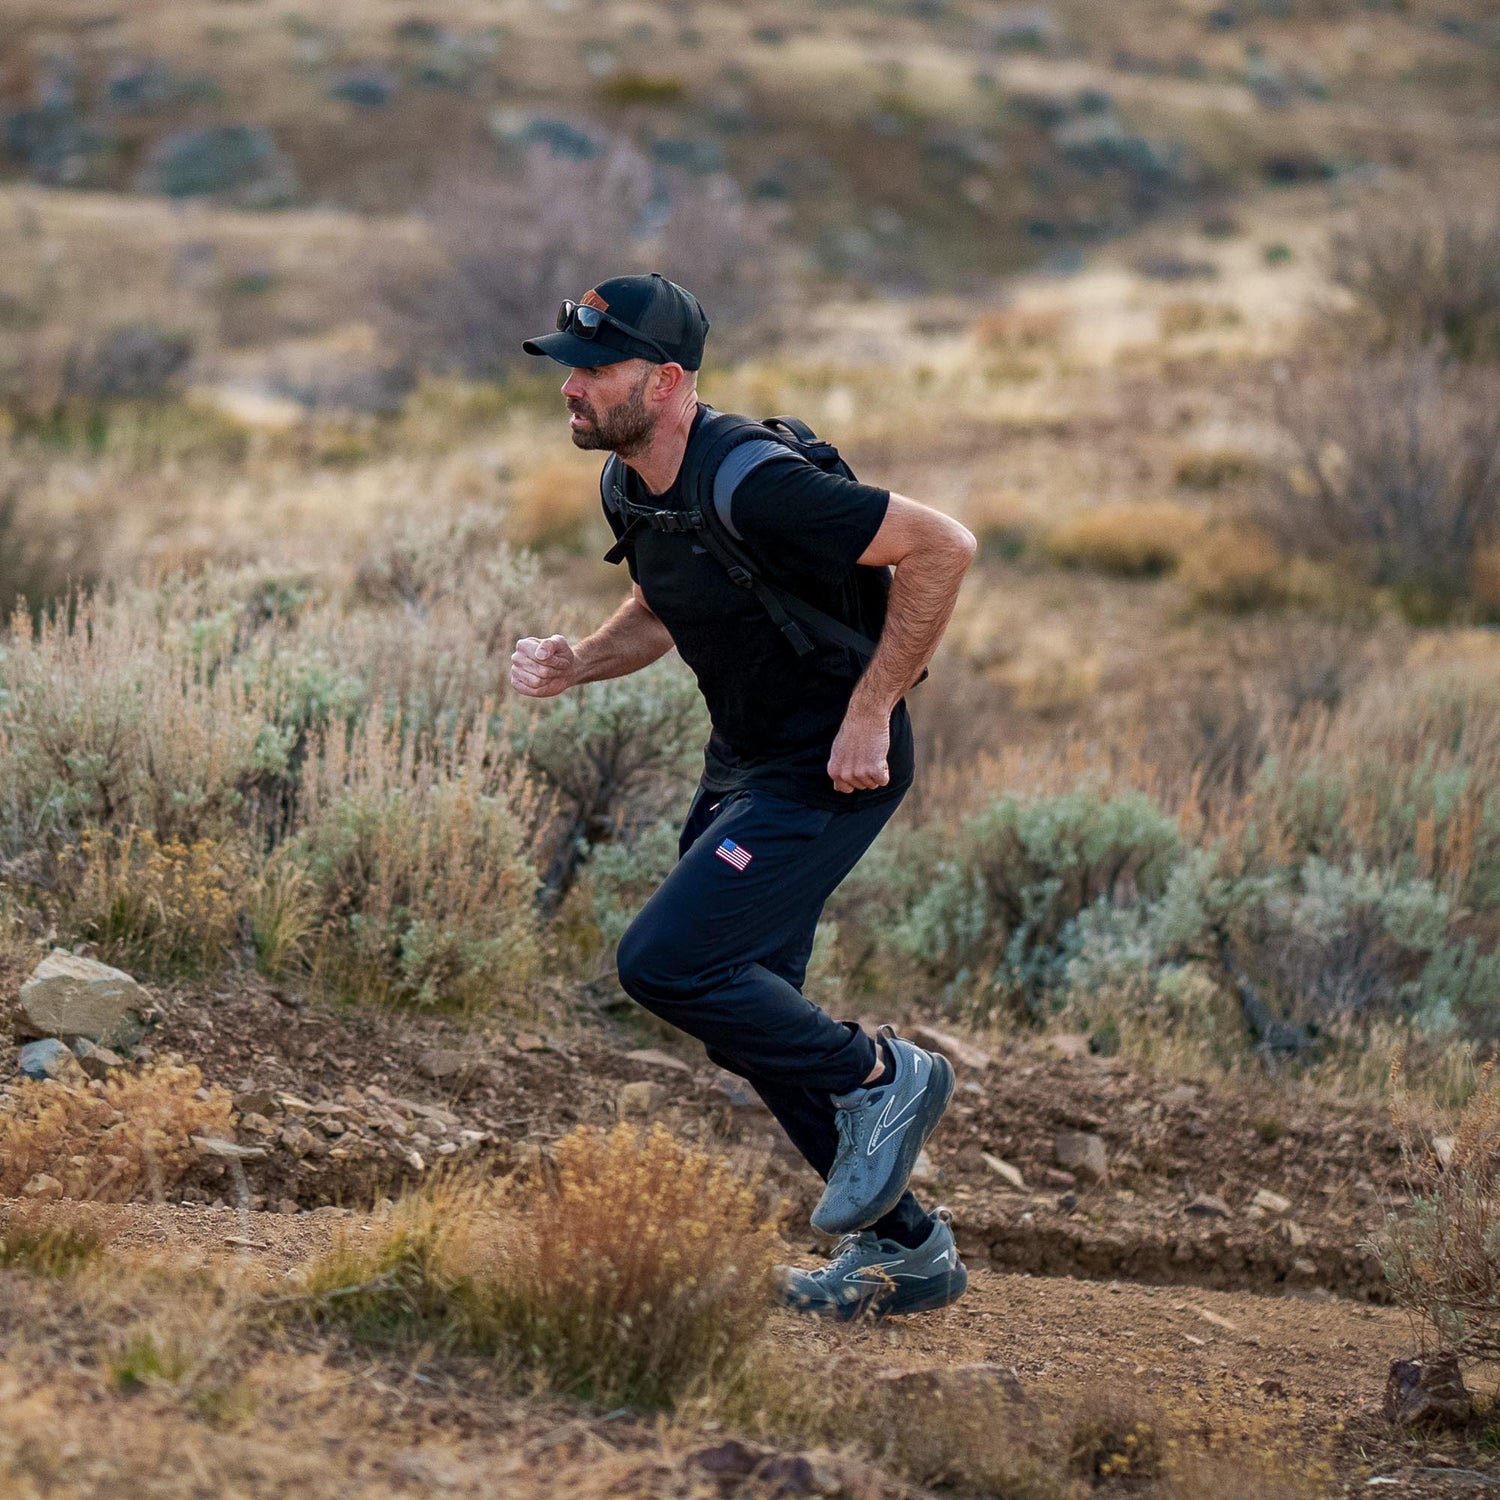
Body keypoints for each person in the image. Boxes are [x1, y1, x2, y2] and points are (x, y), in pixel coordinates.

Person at [512, 273, 978, 1320]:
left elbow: (942, 547)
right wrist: (577, 663)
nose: (571, 390)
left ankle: (880, 1077)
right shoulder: (630, 482)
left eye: (595, 370)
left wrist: (873, 707)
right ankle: (907, 1251)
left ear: (667, 380)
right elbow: (663, 601)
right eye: (568, 370)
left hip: (832, 770)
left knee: (665, 962)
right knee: (750, 1018)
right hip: (748, 764)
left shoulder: (756, 480)